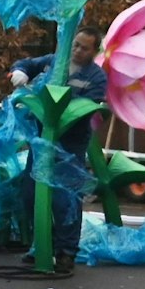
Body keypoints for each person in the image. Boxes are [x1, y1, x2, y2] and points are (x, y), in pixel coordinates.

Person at [9, 28, 107, 275]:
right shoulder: (54, 63)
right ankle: (41, 243)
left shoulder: (96, 78)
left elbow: (84, 109)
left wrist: (54, 110)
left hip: (70, 145)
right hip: (42, 141)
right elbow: (28, 64)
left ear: (94, 51)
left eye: (84, 48)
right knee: (32, 193)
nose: (77, 51)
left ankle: (66, 252)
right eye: (75, 45)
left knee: (66, 199)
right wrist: (21, 72)